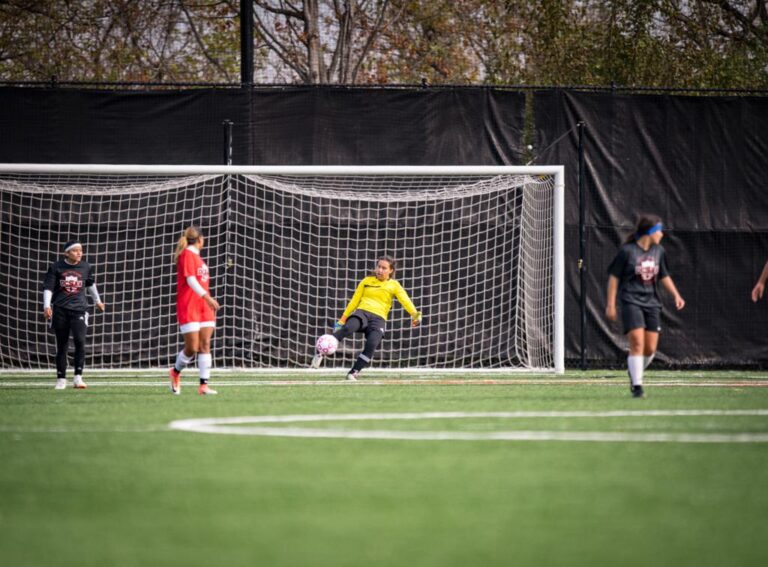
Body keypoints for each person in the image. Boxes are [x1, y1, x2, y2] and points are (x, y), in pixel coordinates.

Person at [605, 215, 685, 398]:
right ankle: (637, 385)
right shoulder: (627, 251)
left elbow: (664, 275)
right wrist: (610, 304)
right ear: (650, 232)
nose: (662, 235)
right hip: (631, 301)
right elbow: (614, 278)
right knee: (637, 344)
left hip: (652, 303)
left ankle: (634, 370)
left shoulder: (659, 251)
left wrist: (676, 295)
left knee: (650, 349)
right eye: (659, 230)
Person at [311, 255, 422, 380]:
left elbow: (405, 301)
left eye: (384, 268)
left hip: (379, 319)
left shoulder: (394, 285)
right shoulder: (366, 281)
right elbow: (354, 301)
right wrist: (342, 319)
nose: (380, 270)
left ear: (391, 270)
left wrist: (415, 315)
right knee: (348, 328)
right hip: (362, 313)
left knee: (372, 344)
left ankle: (353, 372)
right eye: (378, 267)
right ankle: (320, 351)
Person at [43, 240, 105, 390]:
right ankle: (61, 379)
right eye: (75, 250)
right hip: (60, 310)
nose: (79, 253)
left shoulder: (86, 267)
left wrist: (98, 301)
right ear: (66, 253)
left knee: (79, 341)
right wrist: (46, 305)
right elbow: (48, 288)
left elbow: (90, 284)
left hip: (79, 310)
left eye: (81, 250)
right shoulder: (56, 267)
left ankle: (78, 378)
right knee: (62, 345)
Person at [168, 226, 220, 395]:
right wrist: (208, 297)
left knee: (205, 344)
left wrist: (206, 300)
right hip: (189, 305)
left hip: (204, 306)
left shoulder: (199, 258)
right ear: (200, 240)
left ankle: (203, 385)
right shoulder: (187, 255)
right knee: (192, 347)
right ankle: (175, 371)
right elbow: (191, 281)